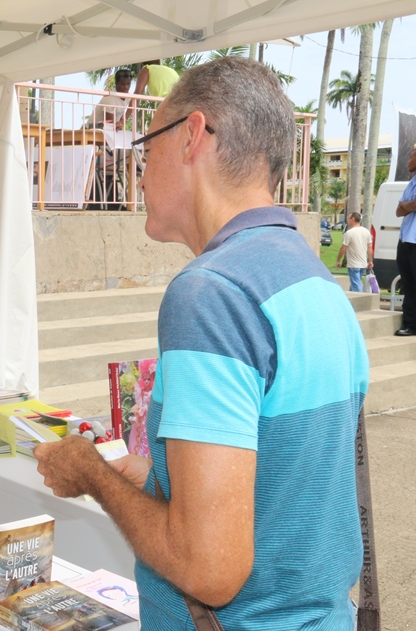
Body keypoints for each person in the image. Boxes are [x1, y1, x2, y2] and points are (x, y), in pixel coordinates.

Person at [34, 57, 368, 629]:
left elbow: (209, 569)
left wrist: (91, 474)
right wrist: (153, 479)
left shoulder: (211, 293)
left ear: (191, 135)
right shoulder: (313, 277)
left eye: (147, 147)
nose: (140, 171)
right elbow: (285, 483)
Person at [394, 142, 416, 336]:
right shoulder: (412, 182)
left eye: (412, 156)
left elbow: (406, 206)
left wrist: (406, 205)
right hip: (406, 240)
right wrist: (409, 205)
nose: (408, 161)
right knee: (408, 284)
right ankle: (410, 324)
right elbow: (398, 210)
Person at [337, 211, 374, 292]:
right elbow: (369, 247)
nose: (347, 220)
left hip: (353, 264)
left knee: (356, 285)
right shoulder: (366, 232)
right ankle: (350, 297)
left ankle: (359, 298)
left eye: (348, 218)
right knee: (355, 283)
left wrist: (338, 260)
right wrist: (370, 261)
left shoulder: (349, 233)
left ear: (353, 219)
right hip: (363, 264)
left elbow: (343, 248)